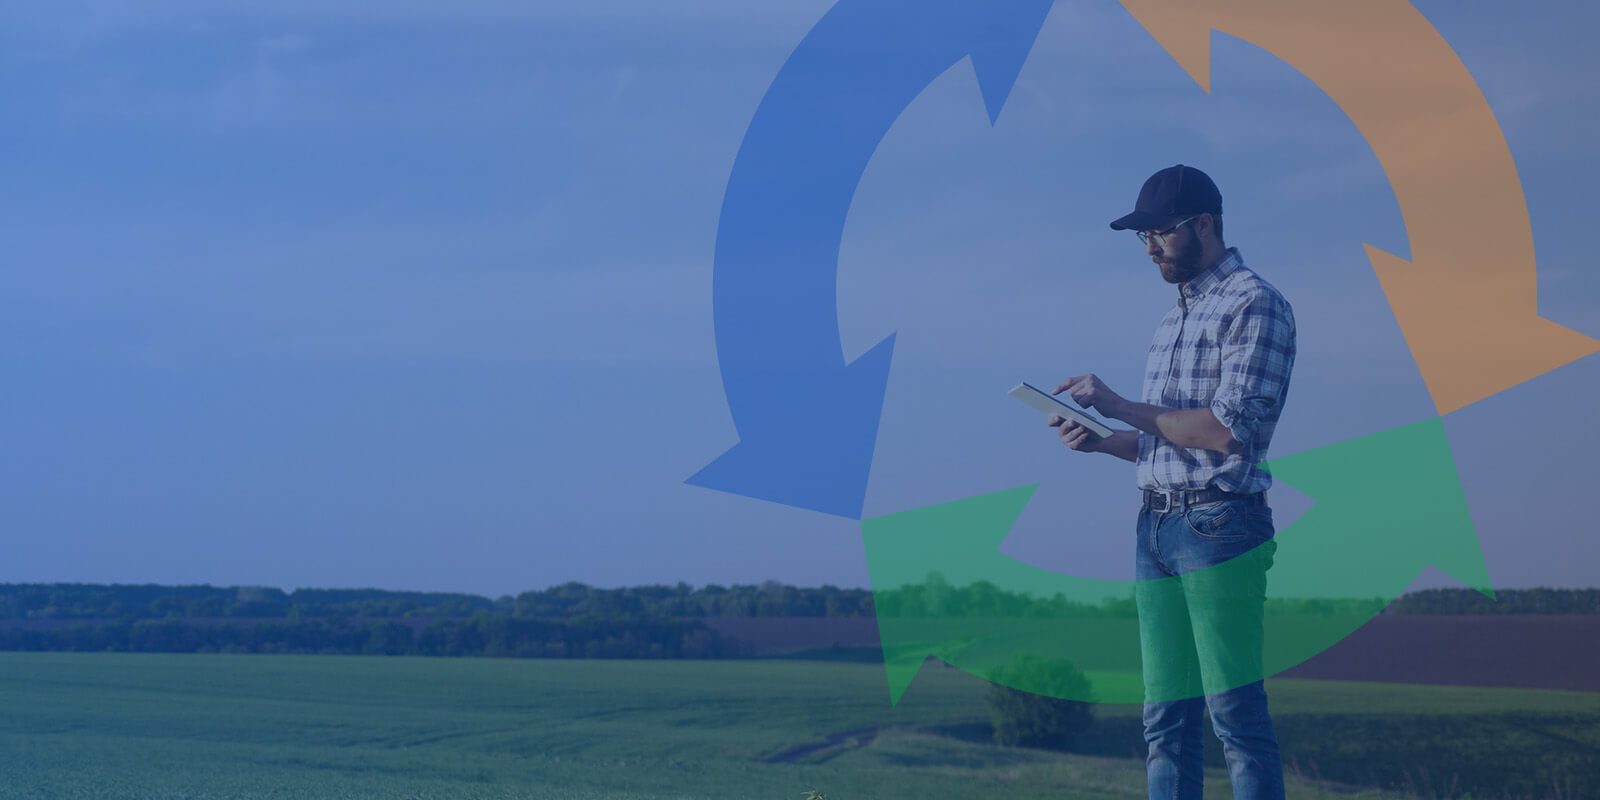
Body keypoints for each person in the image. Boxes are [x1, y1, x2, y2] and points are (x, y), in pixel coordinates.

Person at [1047, 164, 1296, 800]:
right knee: (1164, 721)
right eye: (1143, 236)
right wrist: (1104, 441)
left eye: (1160, 231)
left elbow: (1225, 432)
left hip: (1220, 527)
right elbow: (1168, 436)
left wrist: (1118, 404)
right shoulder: (1172, 320)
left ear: (1204, 224)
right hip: (1154, 527)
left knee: (1234, 718)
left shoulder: (1254, 303)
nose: (1151, 246)